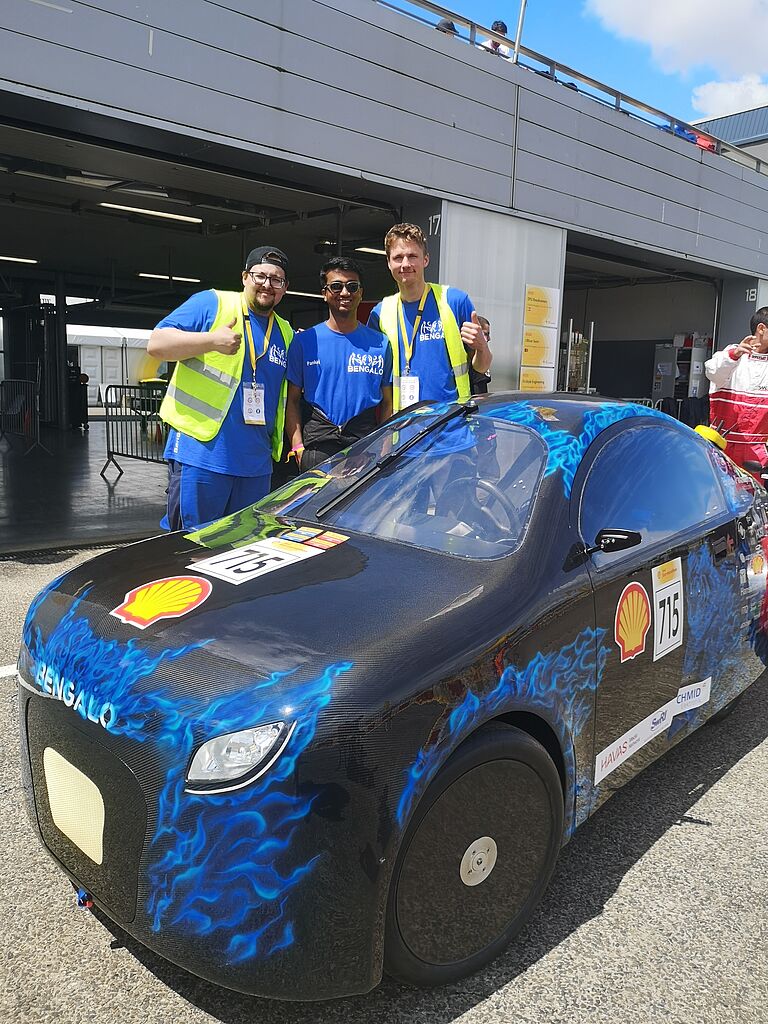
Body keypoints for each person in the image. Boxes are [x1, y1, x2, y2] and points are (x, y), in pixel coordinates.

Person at [148, 245, 293, 530]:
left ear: (285, 288)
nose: (267, 285)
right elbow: (157, 345)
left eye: (276, 280)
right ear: (244, 277)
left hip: (255, 465)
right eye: (260, 276)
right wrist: (211, 341)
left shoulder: (285, 332)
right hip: (202, 455)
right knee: (190, 546)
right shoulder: (212, 303)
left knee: (241, 548)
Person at [367, 222, 491, 412]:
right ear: (389, 262)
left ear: (425, 260)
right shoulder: (380, 313)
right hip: (405, 431)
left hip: (453, 429)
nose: (405, 264)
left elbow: (482, 367)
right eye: (398, 257)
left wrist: (482, 347)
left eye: (412, 256)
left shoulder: (454, 301)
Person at [285, 256, 392, 470]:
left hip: (366, 446)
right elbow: (292, 400)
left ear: (361, 293)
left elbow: (388, 402)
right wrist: (297, 447)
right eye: (336, 286)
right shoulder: (305, 342)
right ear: (324, 293)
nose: (345, 293)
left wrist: (385, 445)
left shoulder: (380, 343)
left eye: (352, 287)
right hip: (317, 447)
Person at [705, 306, 768, 471]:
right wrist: (735, 354)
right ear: (761, 328)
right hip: (722, 445)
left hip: (757, 451)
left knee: (755, 496)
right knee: (719, 495)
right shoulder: (732, 353)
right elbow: (712, 372)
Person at [471, 316, 493, 395]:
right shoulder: (475, 357)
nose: (489, 338)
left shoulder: (481, 355)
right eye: (486, 334)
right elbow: (479, 393)